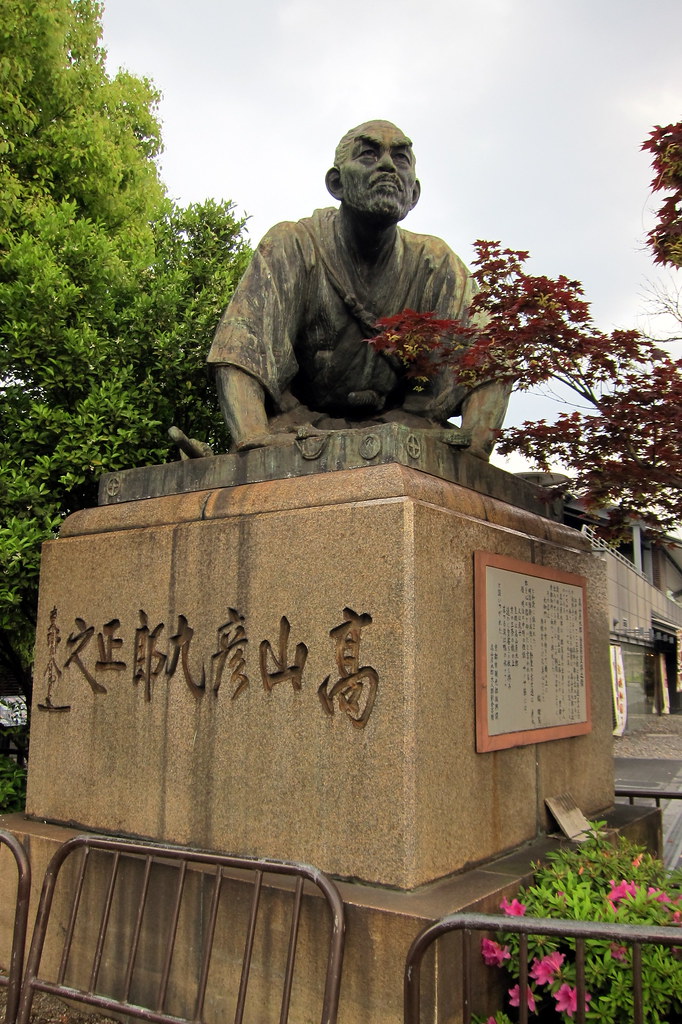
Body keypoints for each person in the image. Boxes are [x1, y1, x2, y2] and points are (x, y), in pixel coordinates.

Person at [207, 120, 510, 459]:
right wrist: (253, 439)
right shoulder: (293, 246)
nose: (386, 165)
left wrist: (475, 450)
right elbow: (241, 350)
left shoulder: (435, 263)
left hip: (404, 432)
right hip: (302, 431)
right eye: (368, 154)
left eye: (401, 158)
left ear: (414, 193)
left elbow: (486, 360)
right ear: (336, 183)